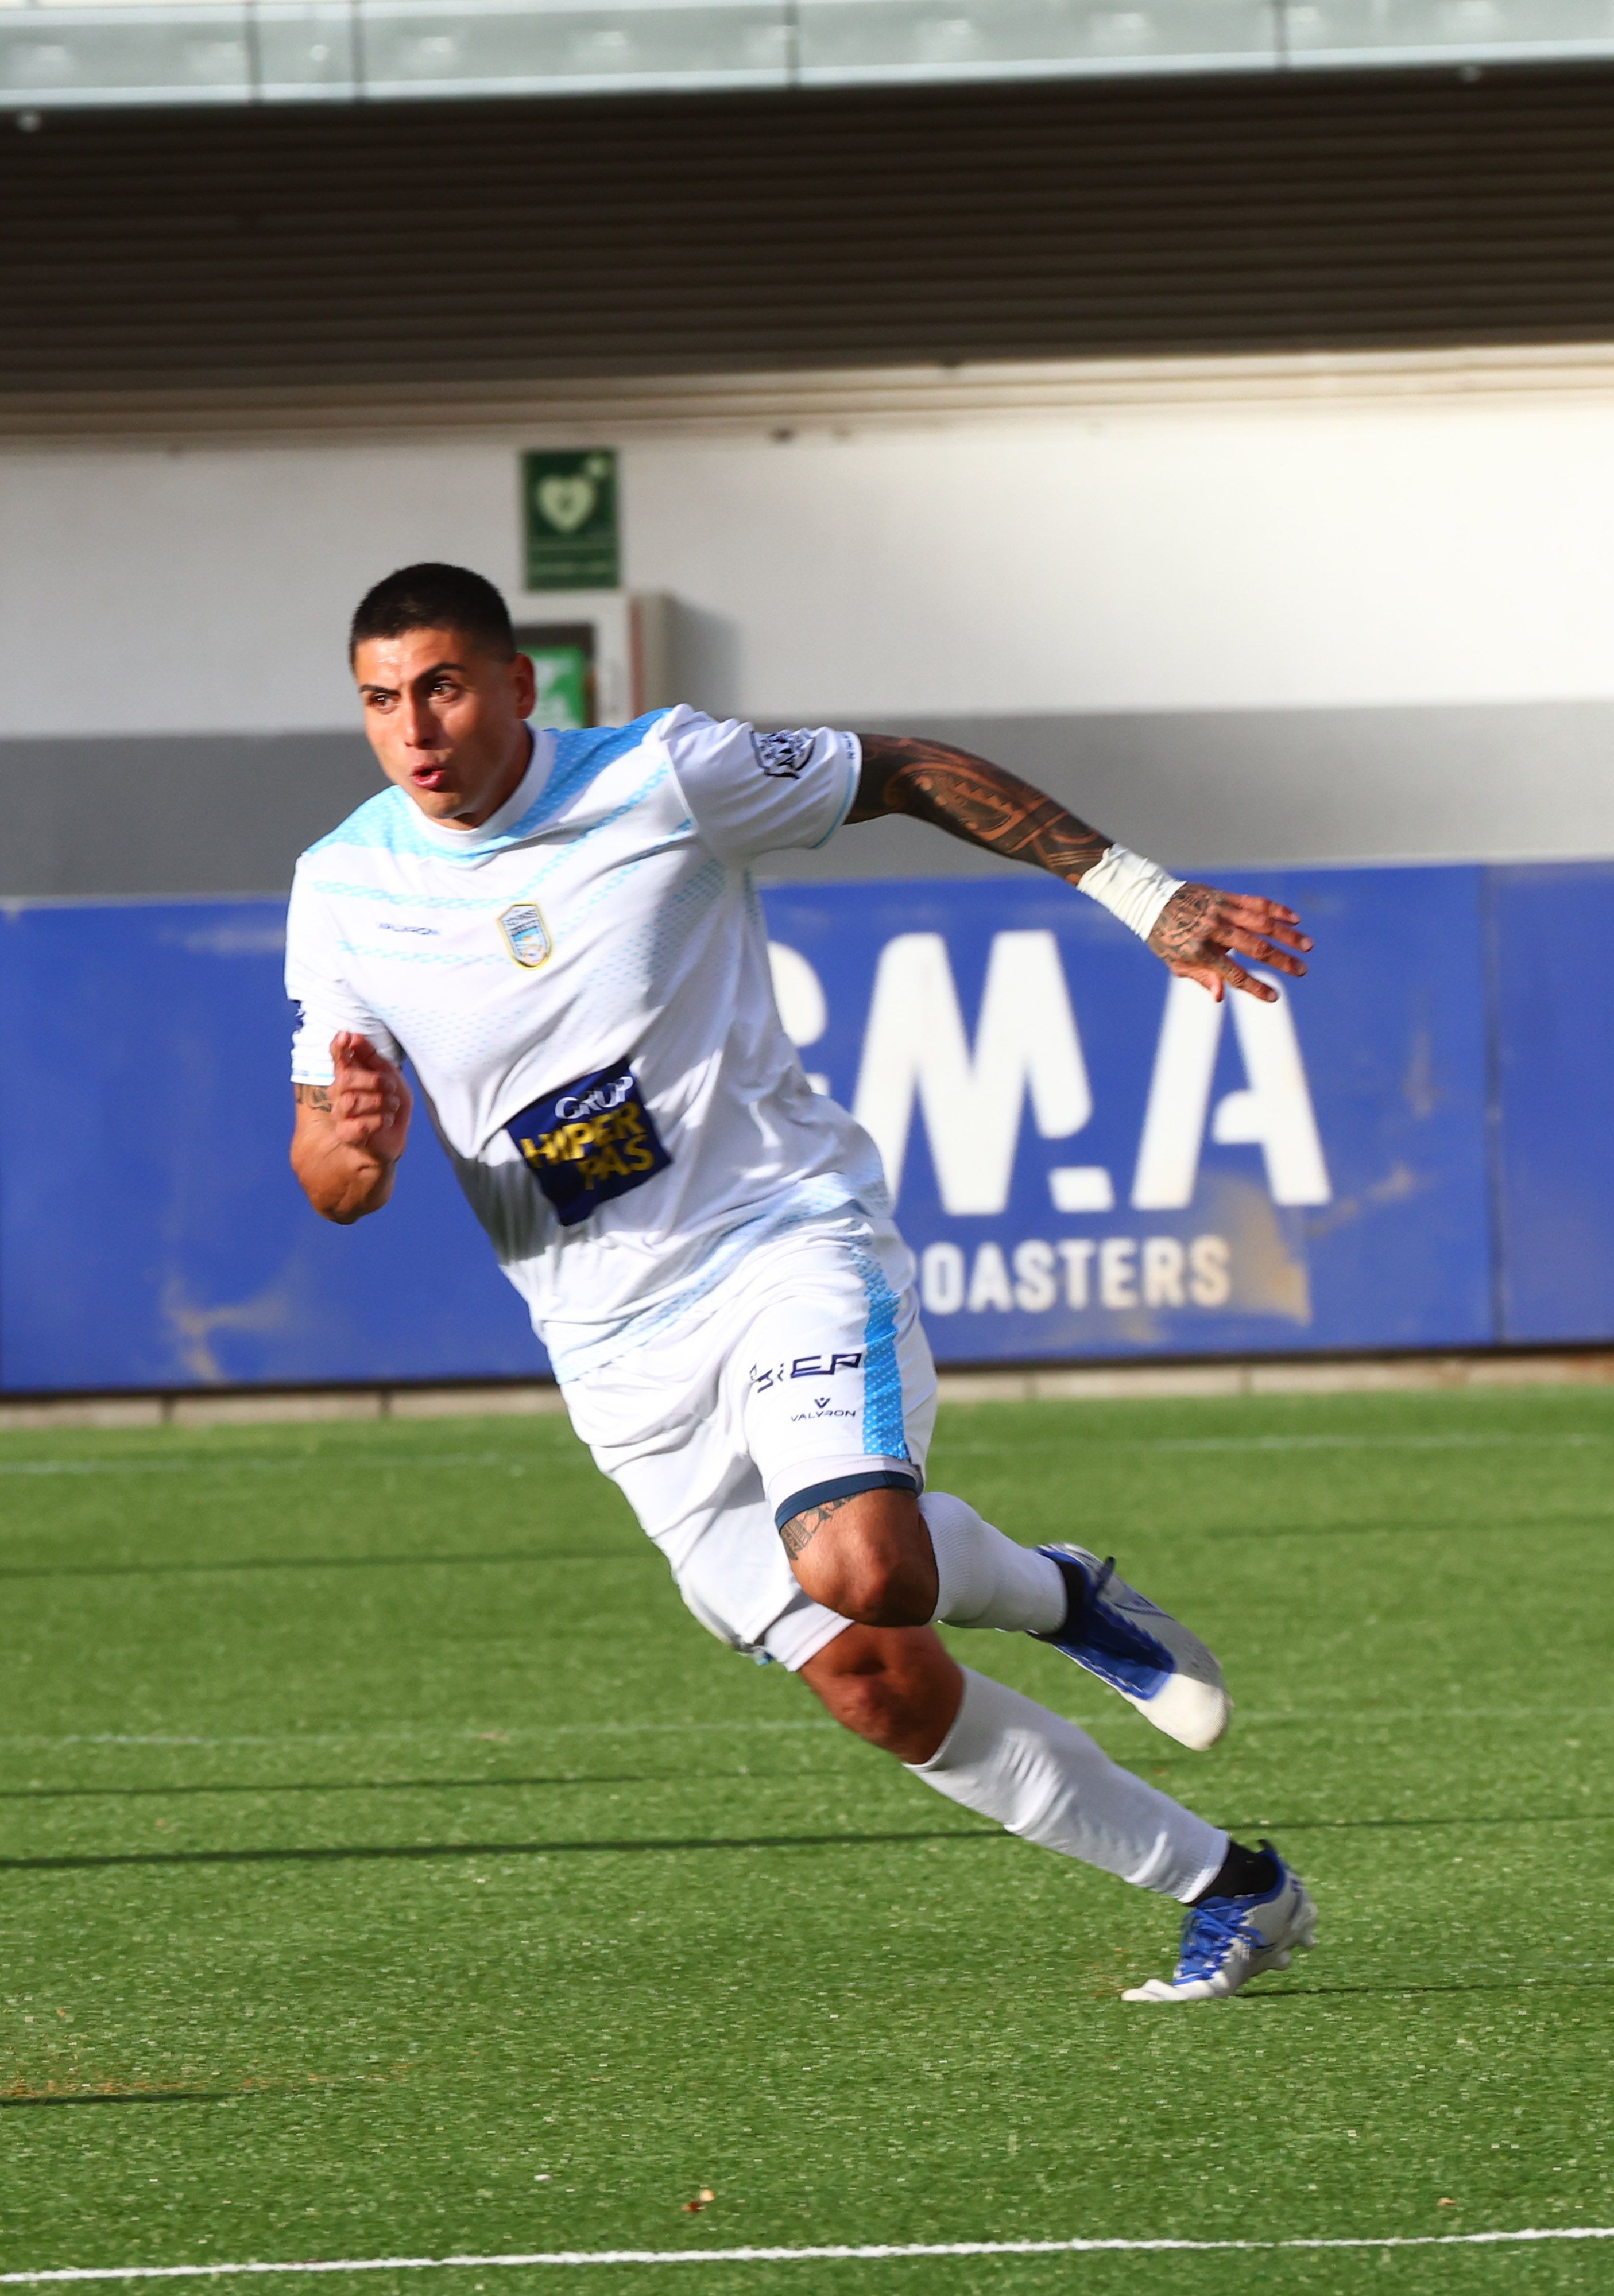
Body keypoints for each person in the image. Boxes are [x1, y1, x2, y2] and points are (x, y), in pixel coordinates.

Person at [285, 563, 1321, 2001]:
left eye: (446, 687)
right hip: (607, 1344)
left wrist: (1140, 894)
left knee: (865, 1564)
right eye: (383, 701)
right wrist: (352, 1145)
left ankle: (1048, 1589)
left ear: (523, 685)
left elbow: (906, 770)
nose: (418, 731)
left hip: (780, 1238)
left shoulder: (666, 773)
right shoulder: (340, 885)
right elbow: (330, 1181)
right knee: (878, 1683)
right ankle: (1234, 1888)